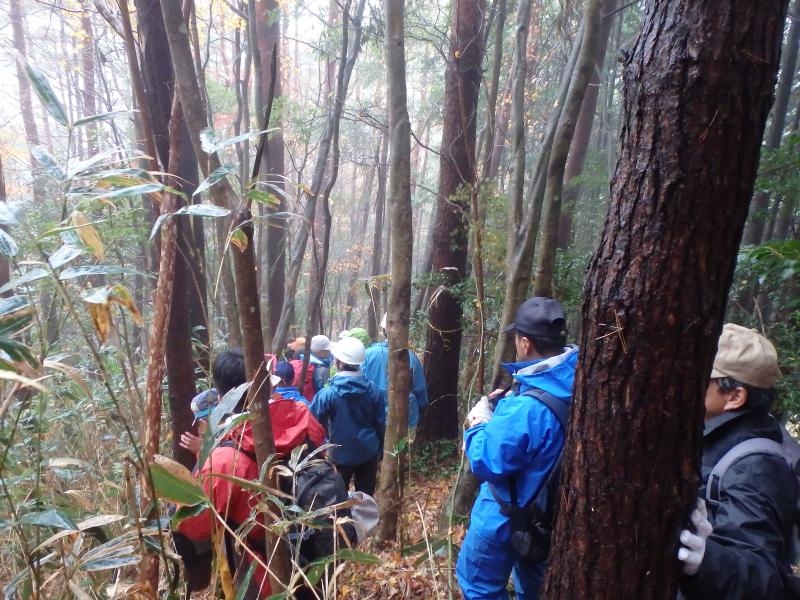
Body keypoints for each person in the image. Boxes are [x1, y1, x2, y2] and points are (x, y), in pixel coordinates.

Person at [177, 349, 327, 599]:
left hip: (262, 578)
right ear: (266, 383)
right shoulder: (303, 418)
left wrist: (203, 460)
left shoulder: (224, 462)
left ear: (221, 393)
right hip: (315, 563)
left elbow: (192, 526)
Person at [457, 297, 578, 600]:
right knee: (534, 590)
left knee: (478, 586)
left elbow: (486, 460)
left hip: (504, 514)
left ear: (525, 343)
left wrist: (478, 423)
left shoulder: (525, 409)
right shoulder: (579, 379)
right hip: (547, 518)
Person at [677, 324, 796, 599]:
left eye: (702, 377)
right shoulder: (716, 434)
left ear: (734, 397)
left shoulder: (755, 467)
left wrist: (706, 561)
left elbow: (763, 575)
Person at [311, 336, 386, 495]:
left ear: (338, 362)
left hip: (339, 455)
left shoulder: (327, 394)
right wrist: (379, 449)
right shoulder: (373, 390)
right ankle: (365, 520)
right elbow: (380, 423)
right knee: (365, 498)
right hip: (368, 451)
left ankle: (344, 519)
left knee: (338, 498)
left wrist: (320, 449)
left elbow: (312, 423)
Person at [361, 313, 428, 440]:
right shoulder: (411, 358)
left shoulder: (368, 355)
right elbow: (421, 394)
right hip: (405, 419)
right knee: (401, 455)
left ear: (383, 330)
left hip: (373, 417)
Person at [291, 334, 333, 402]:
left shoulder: (300, 354)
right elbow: (323, 390)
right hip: (313, 402)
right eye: (327, 350)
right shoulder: (321, 368)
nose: (329, 352)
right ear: (320, 351)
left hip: (298, 399)